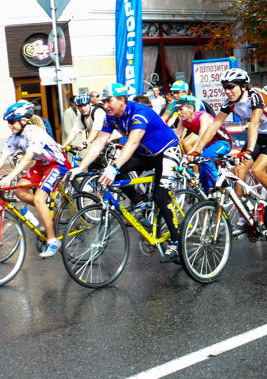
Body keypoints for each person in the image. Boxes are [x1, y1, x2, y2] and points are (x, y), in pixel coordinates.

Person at [66, 84, 185, 262]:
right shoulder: (110, 117)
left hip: (168, 152)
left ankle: (176, 242)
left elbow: (133, 142)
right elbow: (98, 143)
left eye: (109, 101)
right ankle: (139, 204)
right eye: (103, 101)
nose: (105, 105)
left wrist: (114, 167)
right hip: (146, 154)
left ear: (122, 100)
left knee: (160, 196)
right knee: (115, 172)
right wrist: (80, 167)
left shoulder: (139, 112)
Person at [190, 68, 267, 235]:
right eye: (225, 87)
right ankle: (244, 216)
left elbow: (254, 123)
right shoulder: (229, 103)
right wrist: (196, 150)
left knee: (258, 170)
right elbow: (214, 126)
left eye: (231, 87)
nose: (227, 91)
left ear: (243, 86)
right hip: (260, 135)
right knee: (237, 172)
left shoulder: (255, 96)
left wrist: (249, 150)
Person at [0, 101, 70, 258]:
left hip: (57, 164)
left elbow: (27, 158)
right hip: (41, 165)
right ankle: (43, 208)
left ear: (23, 120)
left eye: (12, 122)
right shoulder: (15, 137)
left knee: (38, 199)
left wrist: (10, 176)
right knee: (19, 191)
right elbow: (3, 158)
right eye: (8, 122)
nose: (10, 125)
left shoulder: (34, 132)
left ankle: (52, 240)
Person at [173, 97, 233, 193]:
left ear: (191, 109)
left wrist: (193, 152)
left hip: (223, 142)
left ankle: (221, 188)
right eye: (177, 110)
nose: (178, 112)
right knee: (203, 176)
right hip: (208, 145)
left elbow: (202, 137)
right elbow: (175, 139)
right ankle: (207, 197)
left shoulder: (203, 116)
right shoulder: (183, 121)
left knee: (206, 157)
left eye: (181, 109)